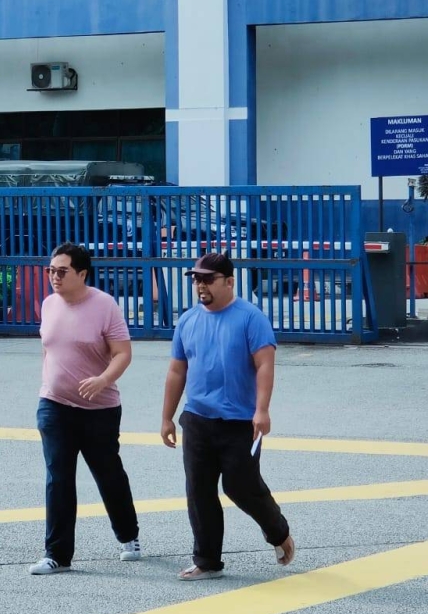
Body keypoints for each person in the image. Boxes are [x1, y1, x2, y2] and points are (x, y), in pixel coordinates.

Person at [161, 252, 295, 581]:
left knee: (240, 485)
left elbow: (265, 364)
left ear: (229, 282)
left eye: (207, 279)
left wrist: (262, 410)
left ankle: (277, 532)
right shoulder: (188, 320)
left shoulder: (251, 318)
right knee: (199, 490)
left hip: (241, 422)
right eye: (196, 279)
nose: (200, 285)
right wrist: (167, 417)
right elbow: (177, 370)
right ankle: (207, 561)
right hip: (197, 419)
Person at [29, 242, 140, 575]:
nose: (54, 277)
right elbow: (48, 349)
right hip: (54, 405)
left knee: (108, 474)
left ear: (82, 273)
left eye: (62, 271)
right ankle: (57, 554)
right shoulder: (49, 305)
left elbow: (123, 353)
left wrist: (103, 380)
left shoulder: (104, 306)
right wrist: (47, 385)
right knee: (58, 478)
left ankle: (128, 535)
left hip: (99, 409)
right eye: (51, 271)